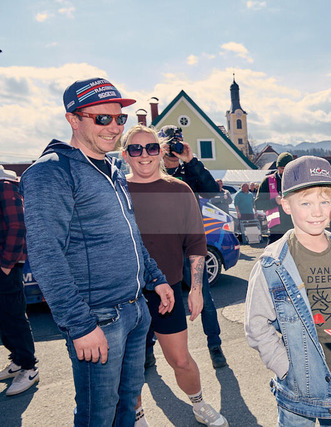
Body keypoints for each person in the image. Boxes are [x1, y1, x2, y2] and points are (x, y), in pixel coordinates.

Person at [20, 77, 174, 425]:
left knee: (128, 407)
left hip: (135, 310)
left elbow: (129, 235)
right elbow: (46, 256)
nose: (115, 127)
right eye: (102, 118)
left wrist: (156, 278)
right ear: (73, 120)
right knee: (97, 417)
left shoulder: (113, 169)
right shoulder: (51, 172)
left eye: (120, 118)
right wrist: (80, 326)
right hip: (98, 320)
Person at [245, 156, 331, 426]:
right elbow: (256, 324)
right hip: (297, 386)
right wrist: (284, 366)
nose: (317, 212)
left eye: (325, 201)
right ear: (286, 205)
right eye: (306, 203)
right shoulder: (272, 263)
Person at [122, 125, 227, 427]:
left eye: (151, 147)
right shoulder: (116, 190)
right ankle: (137, 417)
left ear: (161, 151)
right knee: (129, 367)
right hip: (125, 295)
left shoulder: (179, 190)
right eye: (135, 148)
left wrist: (196, 288)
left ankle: (199, 404)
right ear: (125, 155)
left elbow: (195, 242)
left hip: (166, 293)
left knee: (180, 359)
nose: (144, 154)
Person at [159, 125, 228, 369]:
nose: (174, 148)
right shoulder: (152, 171)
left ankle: (215, 345)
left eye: (178, 142)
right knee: (154, 299)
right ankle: (147, 349)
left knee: (205, 298)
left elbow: (212, 192)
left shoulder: (189, 170)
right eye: (169, 144)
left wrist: (191, 160)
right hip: (161, 246)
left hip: (190, 245)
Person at [0, 166, 39, 396]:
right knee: (4, 318)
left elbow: (18, 226)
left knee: (13, 316)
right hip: (5, 264)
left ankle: (28, 367)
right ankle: (17, 360)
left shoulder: (4, 186)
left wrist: (6, 264)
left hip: (7, 265)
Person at [255, 152, 294, 244]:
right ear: (278, 167)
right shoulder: (267, 181)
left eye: (288, 169)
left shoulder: (297, 181)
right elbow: (257, 204)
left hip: (295, 227)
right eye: (282, 168)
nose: (285, 172)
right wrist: (275, 201)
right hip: (276, 230)